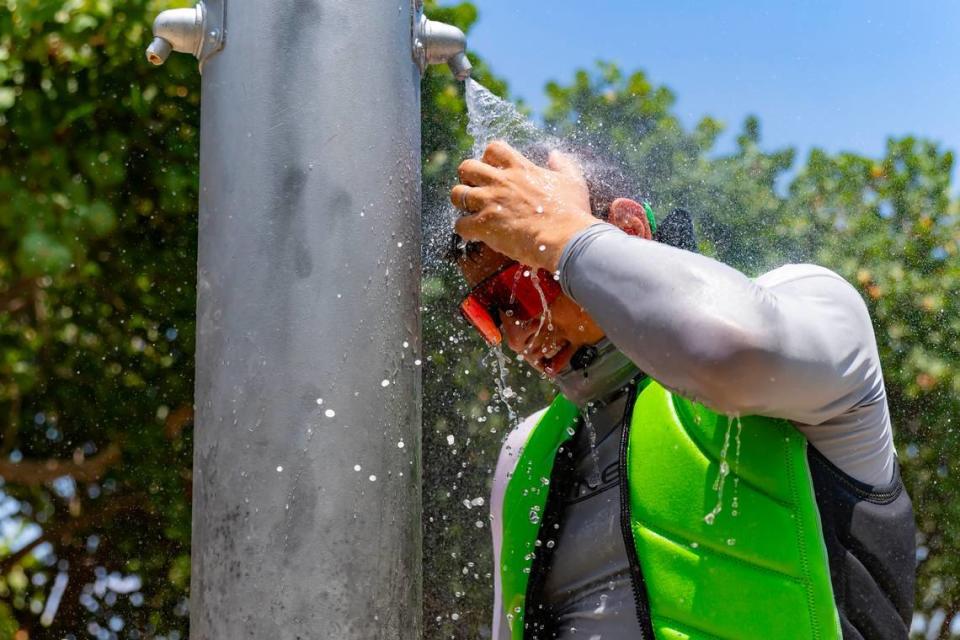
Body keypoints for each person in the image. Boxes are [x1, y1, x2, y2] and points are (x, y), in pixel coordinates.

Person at [448, 140, 916, 640]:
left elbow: (730, 354)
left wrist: (566, 234)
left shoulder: (817, 306)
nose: (517, 334)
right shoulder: (525, 453)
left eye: (522, 287)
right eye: (490, 311)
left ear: (628, 229)